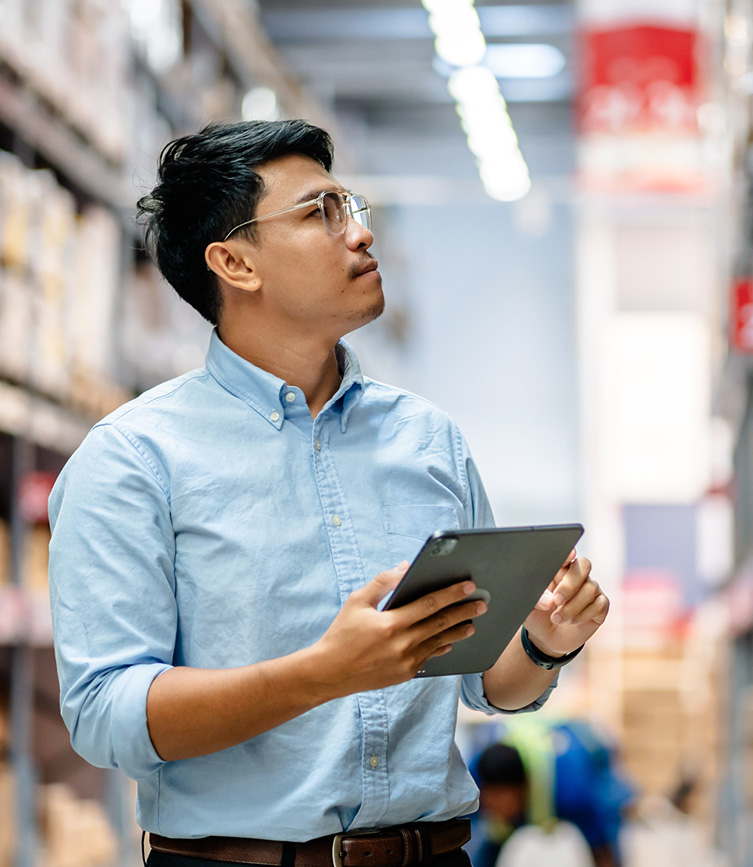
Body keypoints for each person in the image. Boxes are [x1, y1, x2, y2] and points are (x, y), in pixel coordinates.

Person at [47, 120, 610, 866]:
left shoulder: (428, 439)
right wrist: (323, 672)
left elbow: (485, 682)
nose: (359, 236)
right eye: (320, 214)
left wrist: (544, 642)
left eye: (352, 208)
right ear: (234, 263)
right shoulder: (133, 459)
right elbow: (106, 714)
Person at [467, 720, 634, 867]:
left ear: (523, 790)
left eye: (500, 801)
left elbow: (601, 847)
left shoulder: (572, 795)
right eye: (488, 800)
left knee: (612, 816)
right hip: (513, 736)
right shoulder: (473, 779)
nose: (492, 808)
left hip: (583, 749)